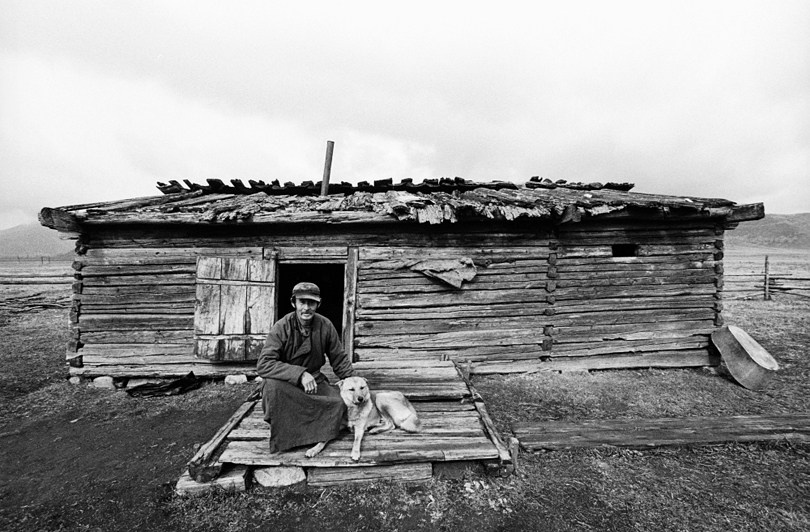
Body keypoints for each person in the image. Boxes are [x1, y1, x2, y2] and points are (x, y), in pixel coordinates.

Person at [256, 281, 355, 454]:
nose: (306, 308)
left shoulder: (325, 326)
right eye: (302, 302)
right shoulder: (281, 327)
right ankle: (291, 435)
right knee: (271, 388)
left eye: (311, 303)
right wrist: (300, 374)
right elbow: (264, 364)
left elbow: (338, 358)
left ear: (318, 304)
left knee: (339, 403)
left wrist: (353, 381)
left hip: (315, 381)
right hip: (287, 384)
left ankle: (309, 431)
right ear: (294, 303)